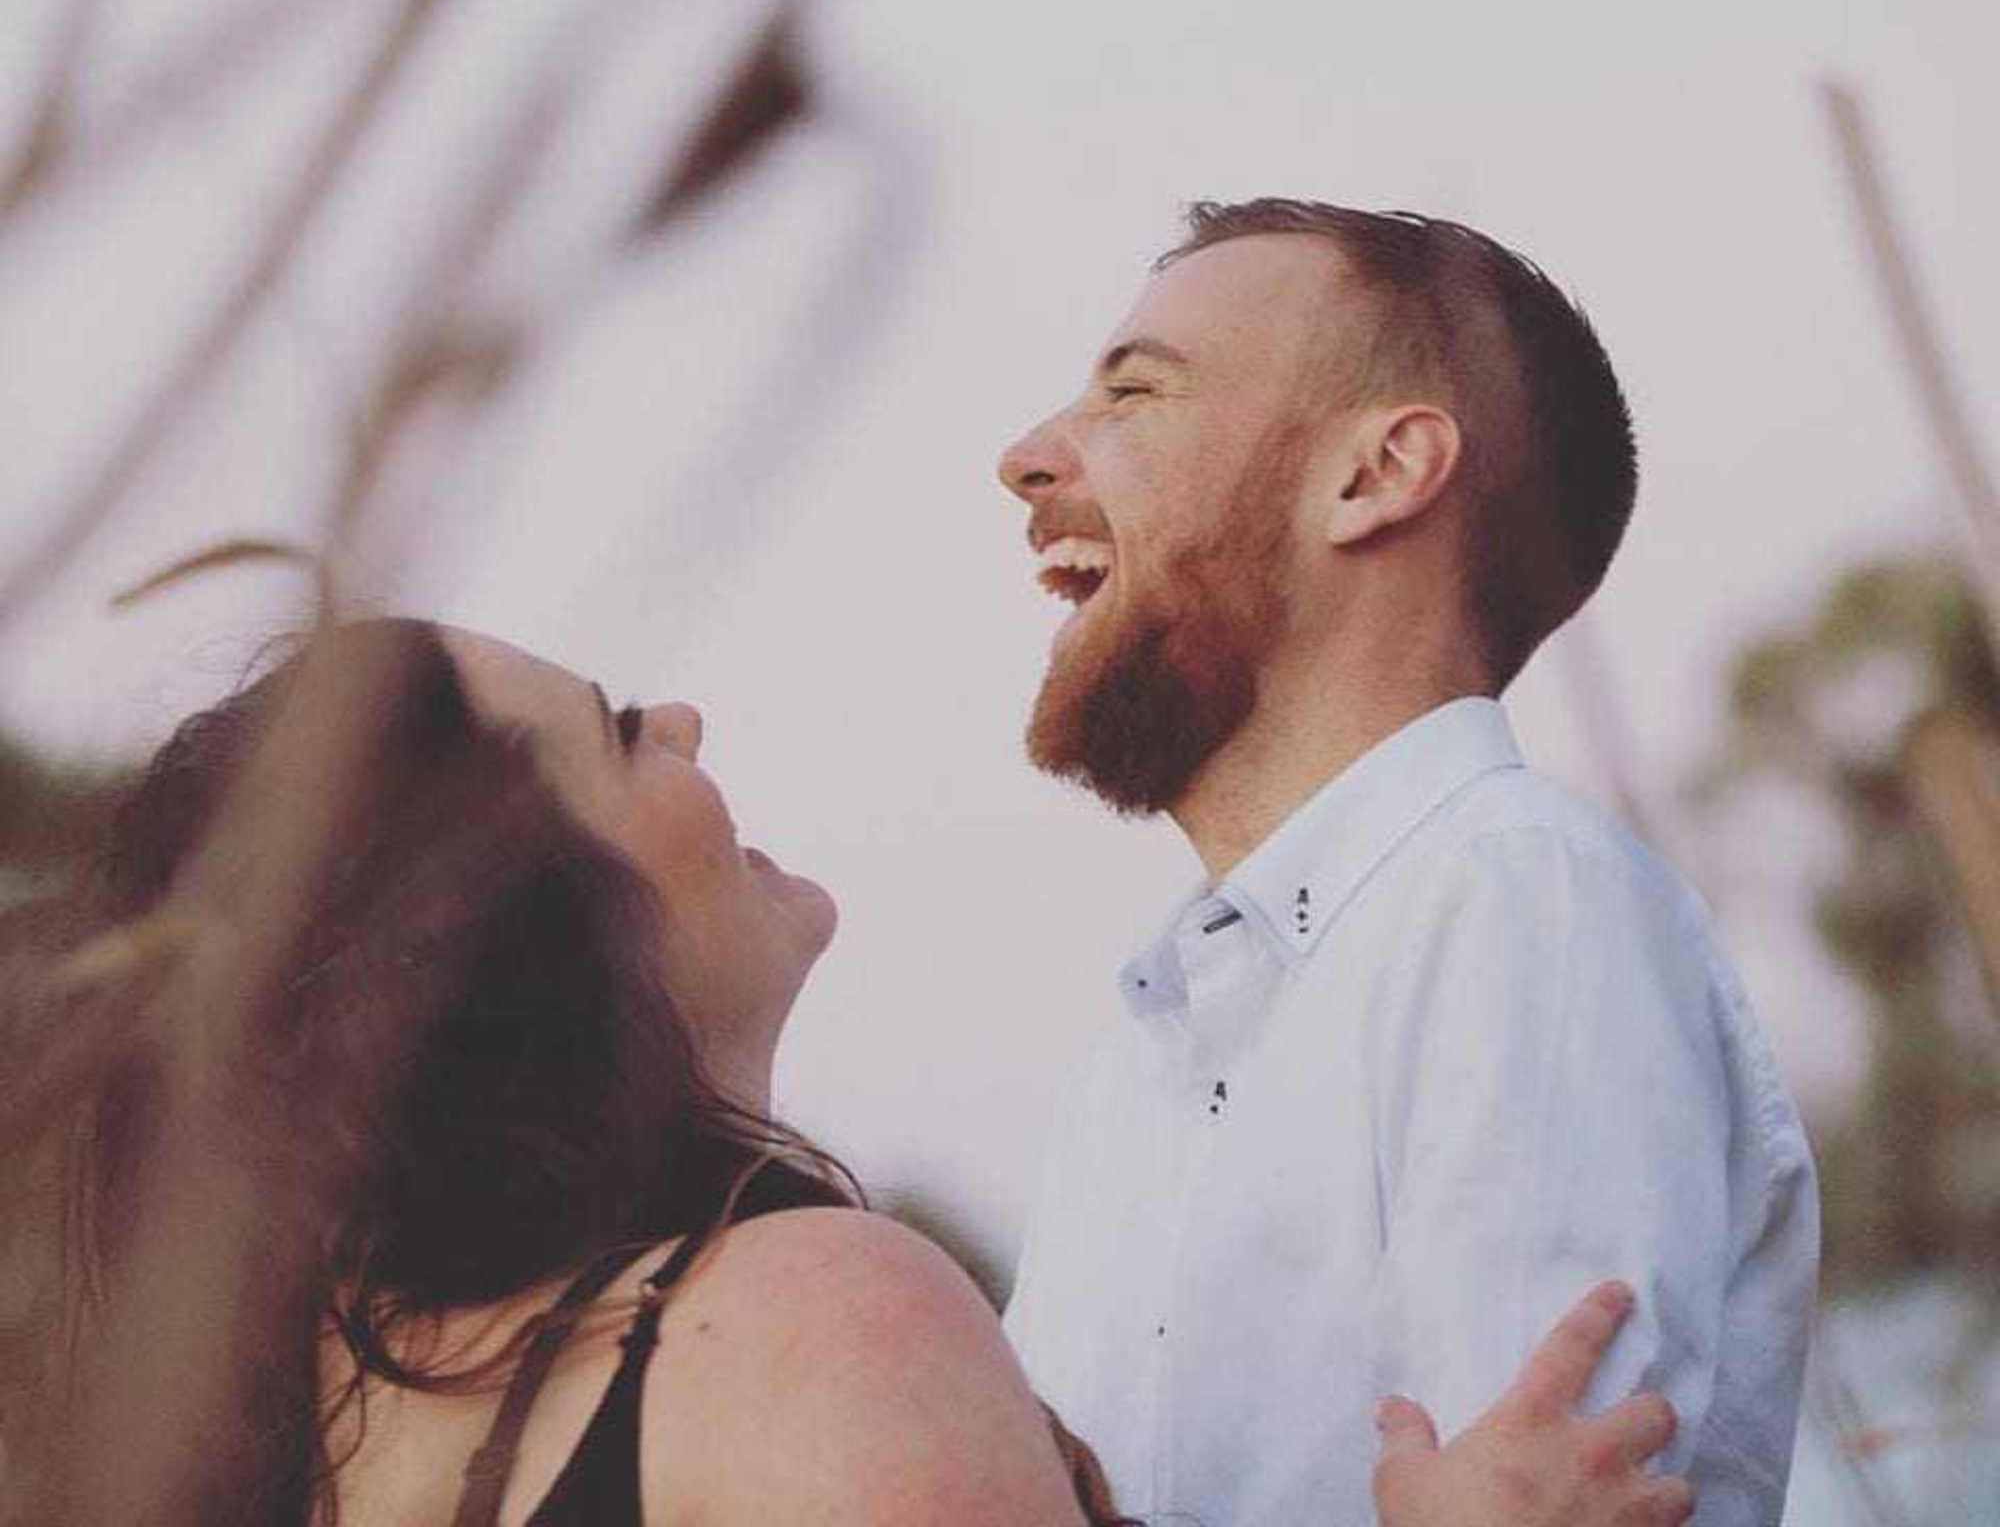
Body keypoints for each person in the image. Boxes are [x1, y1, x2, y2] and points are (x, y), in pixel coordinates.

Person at [3, 615, 1694, 1526]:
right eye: (618, 730)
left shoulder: (327, 1451)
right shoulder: (804, 1324)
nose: (685, 723)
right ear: (520, 932)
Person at [997, 201, 1818, 1527]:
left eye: (1134, 392)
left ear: (1376, 476)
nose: (1028, 457)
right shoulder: (1140, 1058)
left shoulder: (1518, 908)